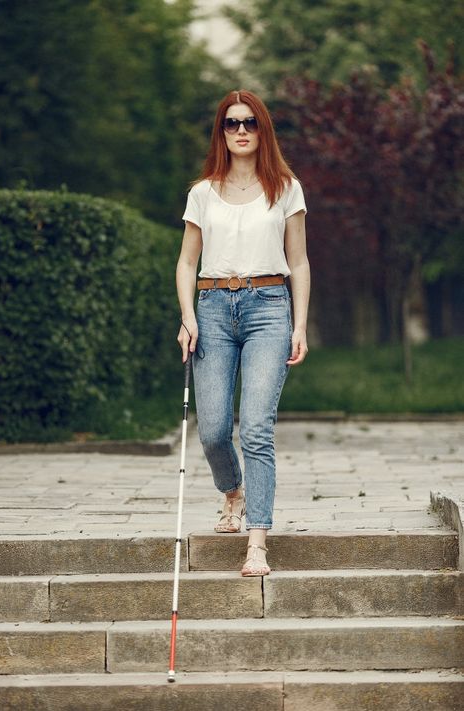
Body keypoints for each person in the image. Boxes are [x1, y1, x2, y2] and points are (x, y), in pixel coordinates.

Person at [176, 89, 310, 577]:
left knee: (255, 427)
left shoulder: (286, 188)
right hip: (211, 307)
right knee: (212, 430)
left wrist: (300, 324)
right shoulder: (203, 192)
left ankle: (257, 542)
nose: (240, 132)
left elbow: (298, 261)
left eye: (249, 123)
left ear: (262, 129)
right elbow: (187, 261)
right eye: (231, 124)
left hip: (269, 308)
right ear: (221, 132)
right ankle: (231, 489)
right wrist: (188, 317)